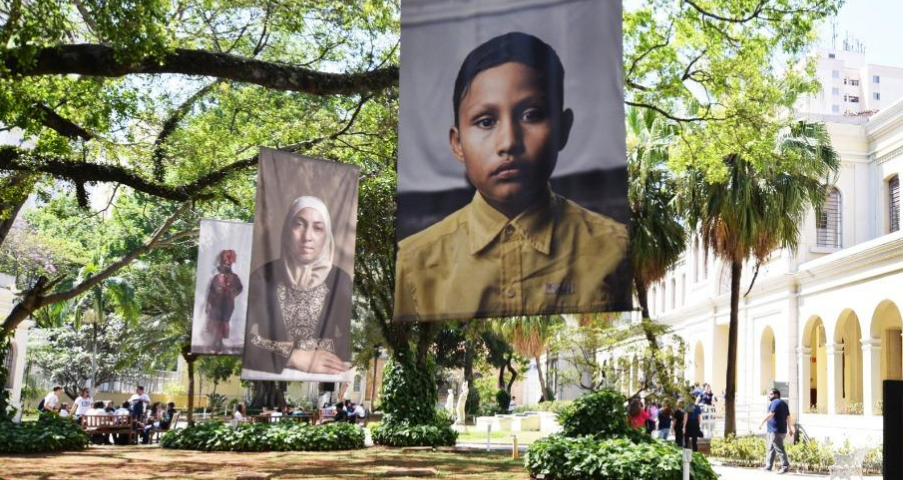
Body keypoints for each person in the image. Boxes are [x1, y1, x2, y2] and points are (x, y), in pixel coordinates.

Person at [394, 31, 630, 322]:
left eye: (531, 115)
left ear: (563, 129)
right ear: (457, 143)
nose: (508, 142)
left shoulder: (615, 247)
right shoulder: (414, 261)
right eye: (486, 121)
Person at [244, 196, 353, 378]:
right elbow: (244, 340)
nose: (307, 237)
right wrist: (293, 356)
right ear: (287, 230)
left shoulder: (340, 280)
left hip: (322, 377)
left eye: (318, 228)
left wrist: (271, 346)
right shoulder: (262, 277)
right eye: (299, 225)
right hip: (268, 378)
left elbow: (345, 344)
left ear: (327, 236)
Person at [203, 249, 244, 346]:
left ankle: (220, 341)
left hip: (228, 303)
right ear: (221, 262)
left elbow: (240, 288)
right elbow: (211, 290)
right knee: (215, 320)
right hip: (215, 302)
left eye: (229, 262)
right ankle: (217, 341)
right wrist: (208, 303)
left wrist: (232, 293)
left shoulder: (235, 277)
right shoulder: (216, 277)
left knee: (224, 320)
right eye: (225, 262)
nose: (227, 264)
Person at [759, 388, 792, 474]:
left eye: (771, 394)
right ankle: (769, 466)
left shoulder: (775, 402)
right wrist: (790, 428)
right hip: (780, 430)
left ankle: (785, 466)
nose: (769, 396)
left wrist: (762, 422)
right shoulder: (784, 404)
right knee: (771, 448)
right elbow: (788, 417)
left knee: (779, 449)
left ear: (776, 395)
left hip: (775, 431)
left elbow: (771, 414)